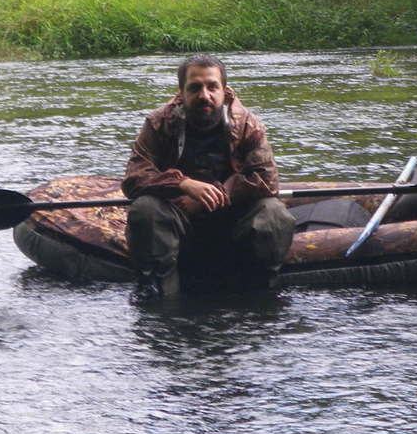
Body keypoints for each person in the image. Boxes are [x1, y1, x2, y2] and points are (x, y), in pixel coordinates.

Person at [122, 54, 294, 299]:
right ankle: (158, 295)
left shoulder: (248, 125)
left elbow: (267, 180)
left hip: (234, 223)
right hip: (178, 222)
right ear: (181, 93)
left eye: (212, 86)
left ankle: (259, 296)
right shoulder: (158, 123)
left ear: (225, 90)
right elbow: (134, 178)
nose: (204, 95)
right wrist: (182, 184)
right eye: (195, 88)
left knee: (273, 212)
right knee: (145, 208)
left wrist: (214, 194)